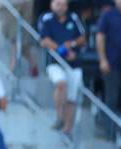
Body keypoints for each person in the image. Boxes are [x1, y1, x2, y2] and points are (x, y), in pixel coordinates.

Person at [38, 0, 87, 136]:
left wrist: (71, 44)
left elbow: (83, 38)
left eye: (63, 4)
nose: (60, 7)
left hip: (74, 63)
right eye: (57, 3)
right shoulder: (46, 18)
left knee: (72, 97)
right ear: (51, 4)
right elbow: (45, 40)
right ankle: (59, 116)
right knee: (61, 84)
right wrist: (63, 52)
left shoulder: (74, 17)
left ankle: (67, 127)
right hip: (55, 61)